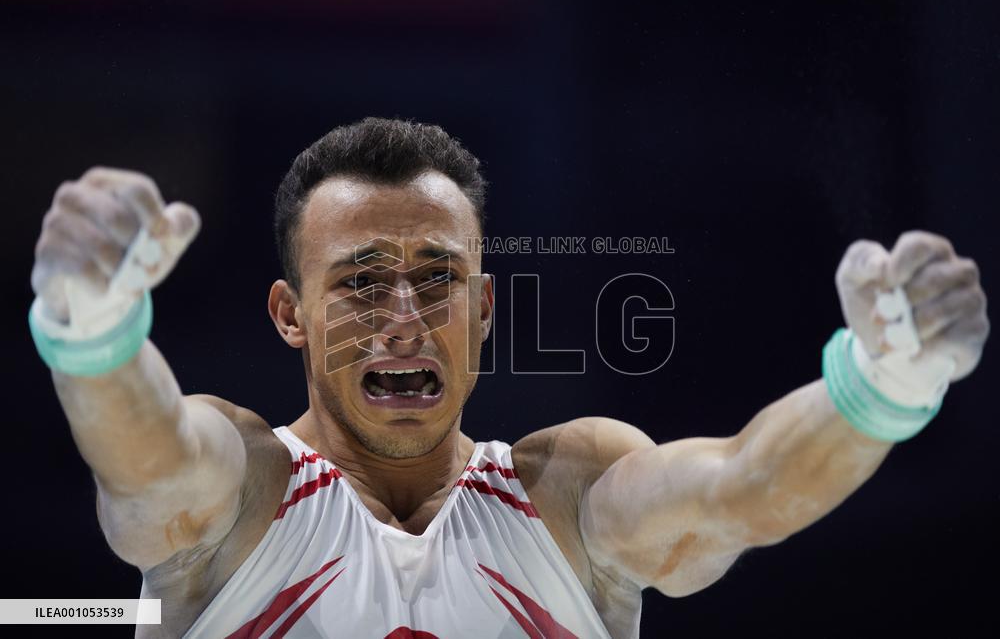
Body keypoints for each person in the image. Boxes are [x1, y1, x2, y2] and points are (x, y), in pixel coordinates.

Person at [28, 118, 989, 638]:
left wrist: (882, 383)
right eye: (362, 282)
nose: (405, 316)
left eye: (437, 278)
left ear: (484, 310)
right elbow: (147, 461)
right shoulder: (240, 489)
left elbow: (743, 488)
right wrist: (96, 333)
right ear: (290, 315)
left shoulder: (569, 497)